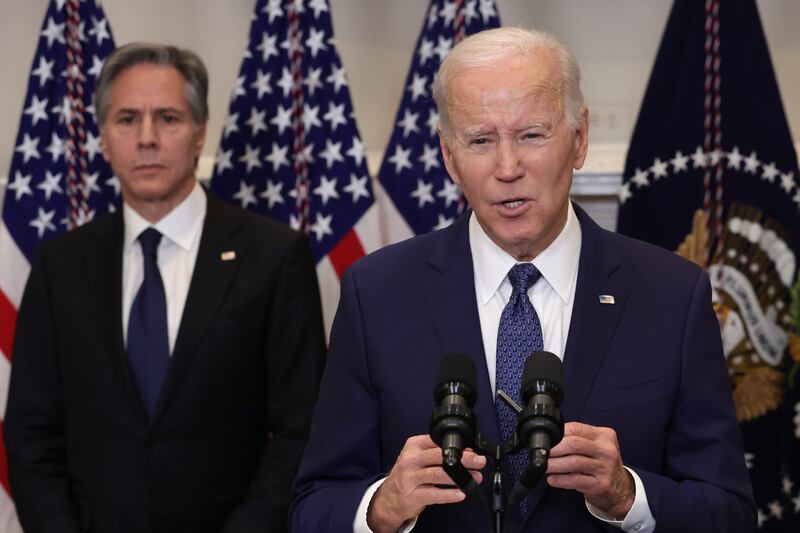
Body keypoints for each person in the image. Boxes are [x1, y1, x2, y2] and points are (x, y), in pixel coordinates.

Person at [290, 27, 755, 532]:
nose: (507, 167)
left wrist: (629, 496)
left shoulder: (672, 295)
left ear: (579, 139)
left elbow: (730, 513)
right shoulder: (376, 294)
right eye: (480, 140)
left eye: (532, 135)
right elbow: (313, 508)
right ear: (449, 156)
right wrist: (382, 507)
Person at [4, 42, 326, 533]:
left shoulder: (274, 257)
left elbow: (301, 430)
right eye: (127, 119)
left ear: (199, 132)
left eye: (168, 118)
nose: (147, 138)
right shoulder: (60, 265)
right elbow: (31, 434)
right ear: (103, 138)